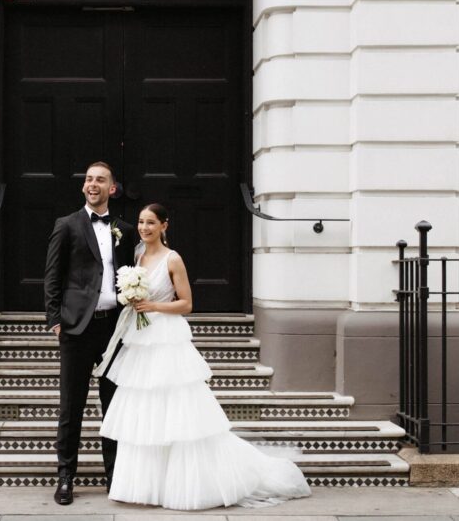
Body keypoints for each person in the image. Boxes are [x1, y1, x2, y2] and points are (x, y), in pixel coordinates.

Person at [97, 203, 312, 510]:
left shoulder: (173, 259)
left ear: (164, 226)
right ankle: (147, 486)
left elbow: (186, 304)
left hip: (166, 337)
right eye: (141, 222)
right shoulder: (136, 256)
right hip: (140, 339)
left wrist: (154, 307)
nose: (144, 228)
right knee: (145, 409)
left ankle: (183, 485)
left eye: (151, 223)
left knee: (175, 407)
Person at [44, 161, 138, 506]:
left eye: (100, 180)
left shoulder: (125, 229)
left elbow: (128, 273)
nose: (92, 184)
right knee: (72, 406)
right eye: (88, 179)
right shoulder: (67, 225)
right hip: (77, 328)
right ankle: (66, 476)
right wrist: (55, 319)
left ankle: (116, 478)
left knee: (113, 405)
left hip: (114, 328)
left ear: (112, 188)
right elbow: (53, 275)